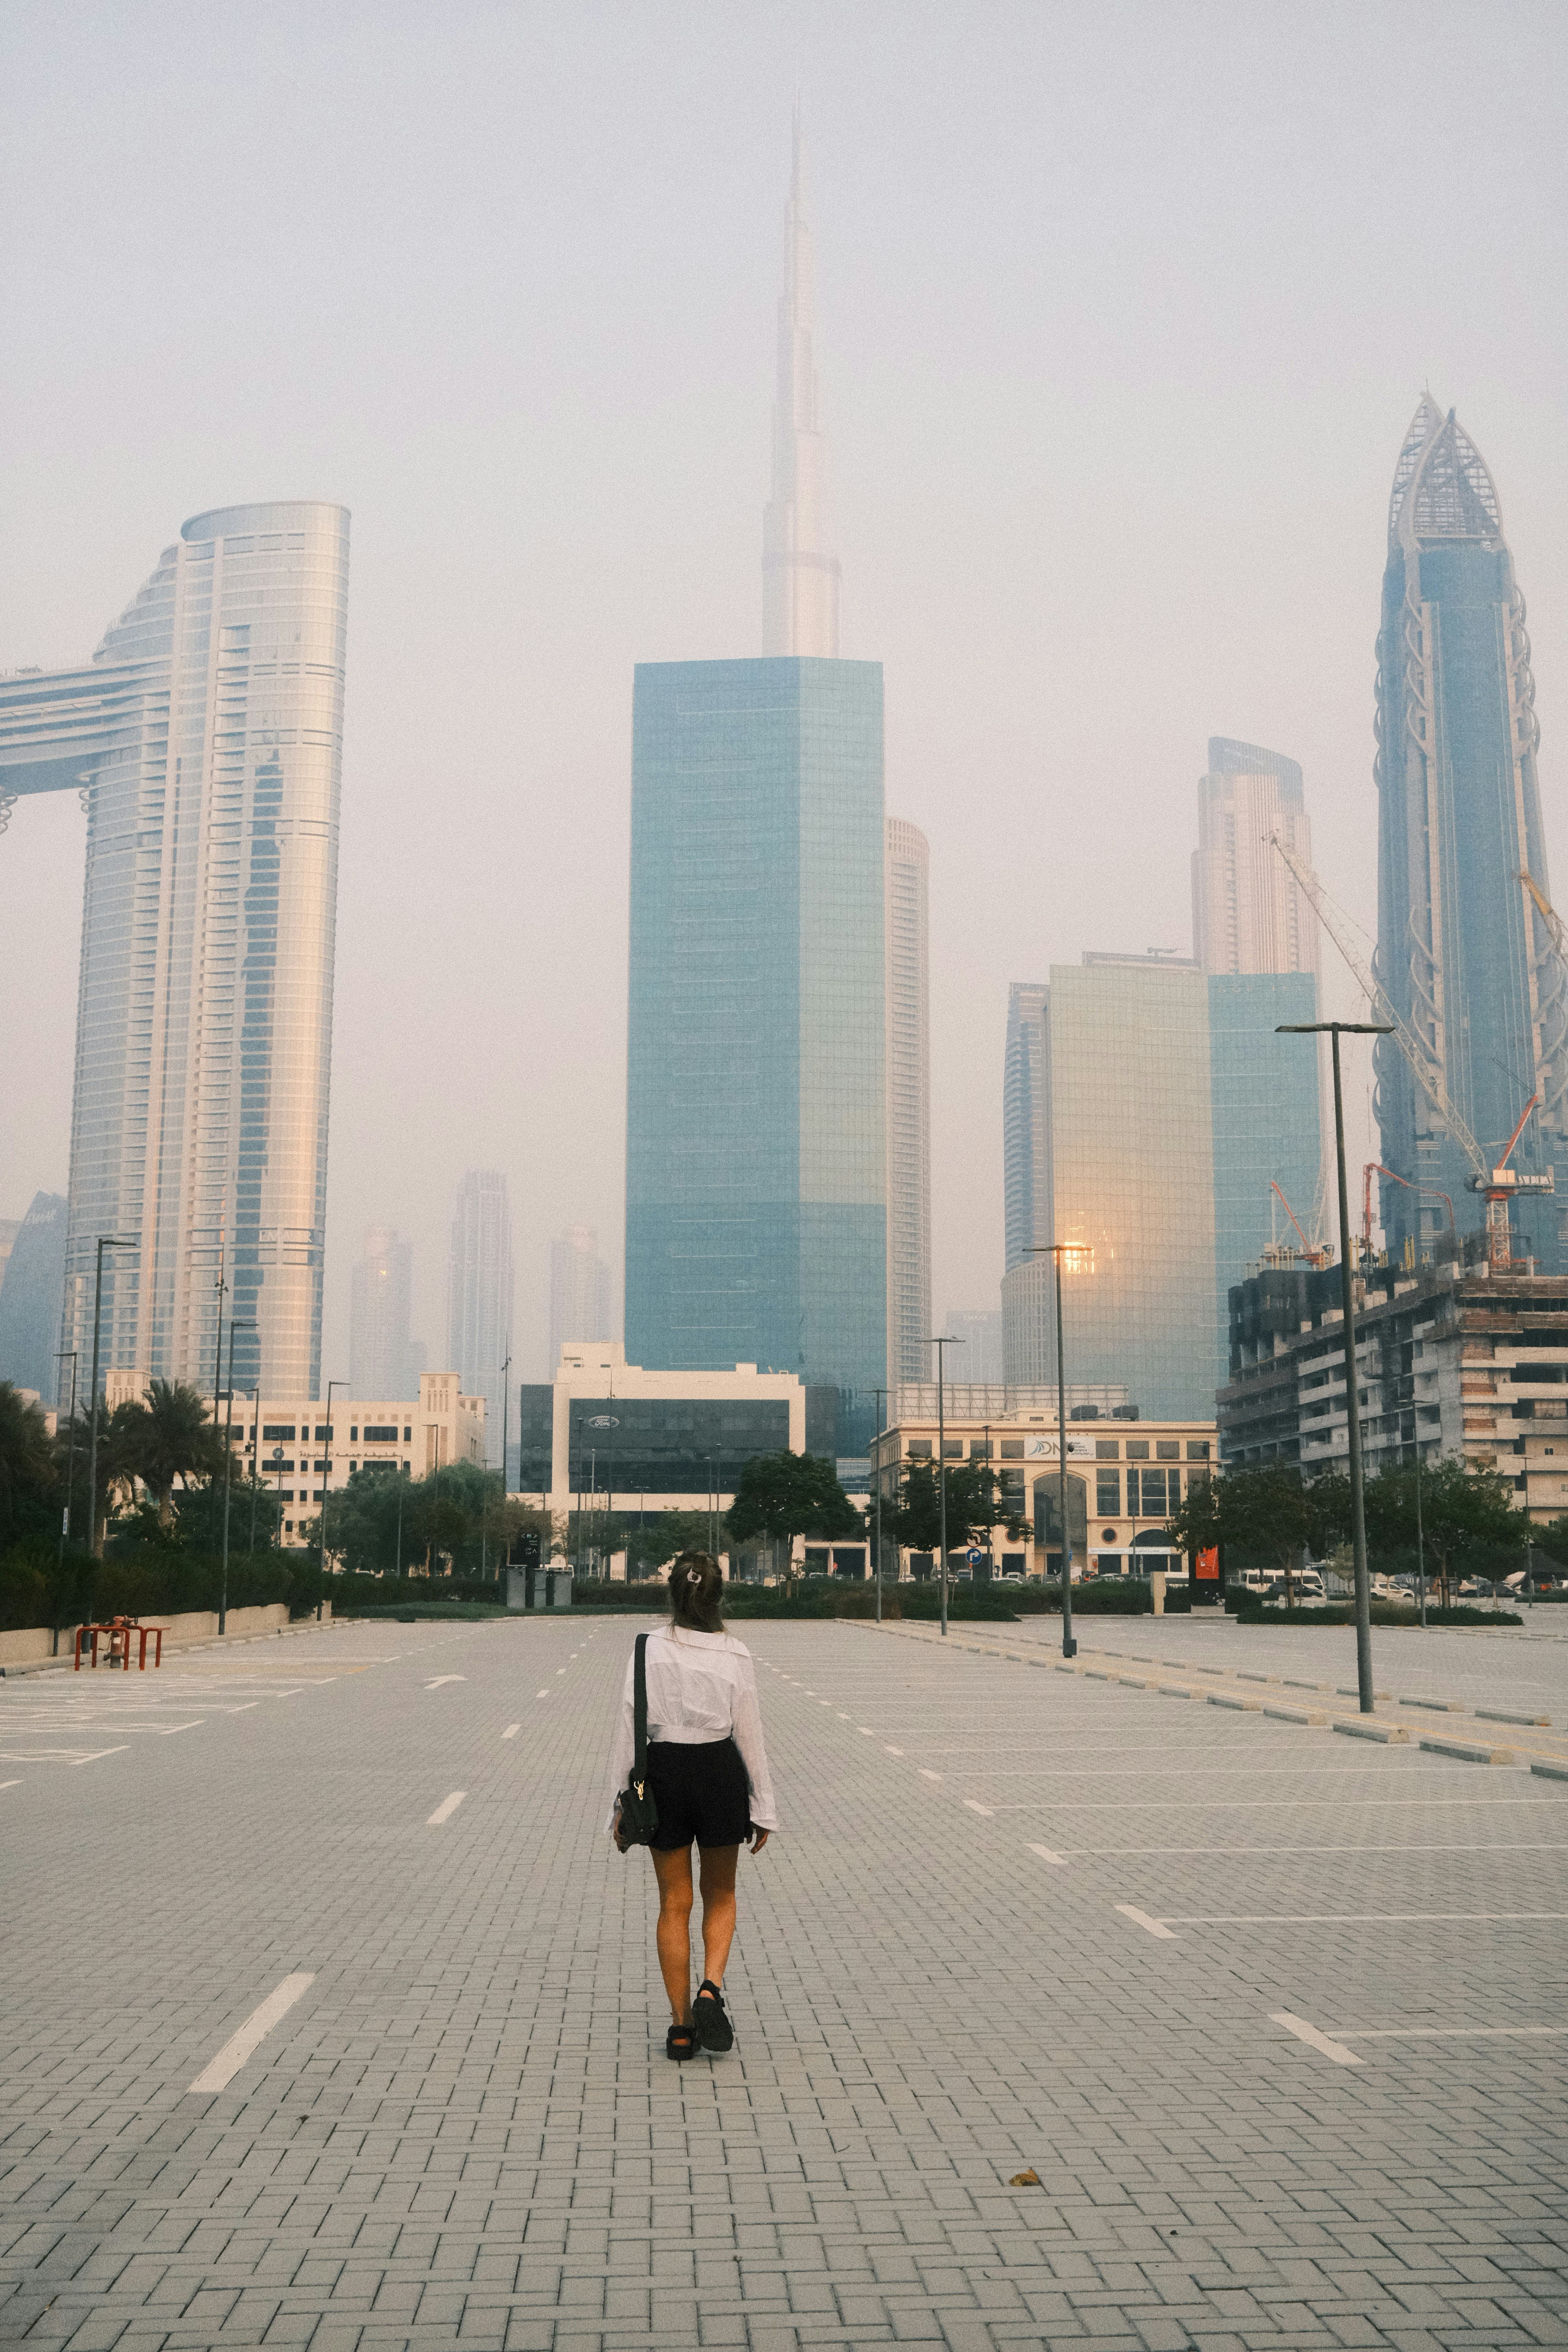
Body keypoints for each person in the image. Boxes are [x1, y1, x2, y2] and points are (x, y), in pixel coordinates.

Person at [606, 1552, 776, 2060]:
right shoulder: (736, 1653)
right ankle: (711, 1988)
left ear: (673, 1596)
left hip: (665, 1775)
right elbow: (750, 1733)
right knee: (720, 1893)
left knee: (673, 1904)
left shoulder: (647, 1649)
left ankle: (681, 2028)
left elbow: (628, 1730)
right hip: (720, 1773)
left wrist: (618, 1806)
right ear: (719, 1597)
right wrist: (764, 1806)